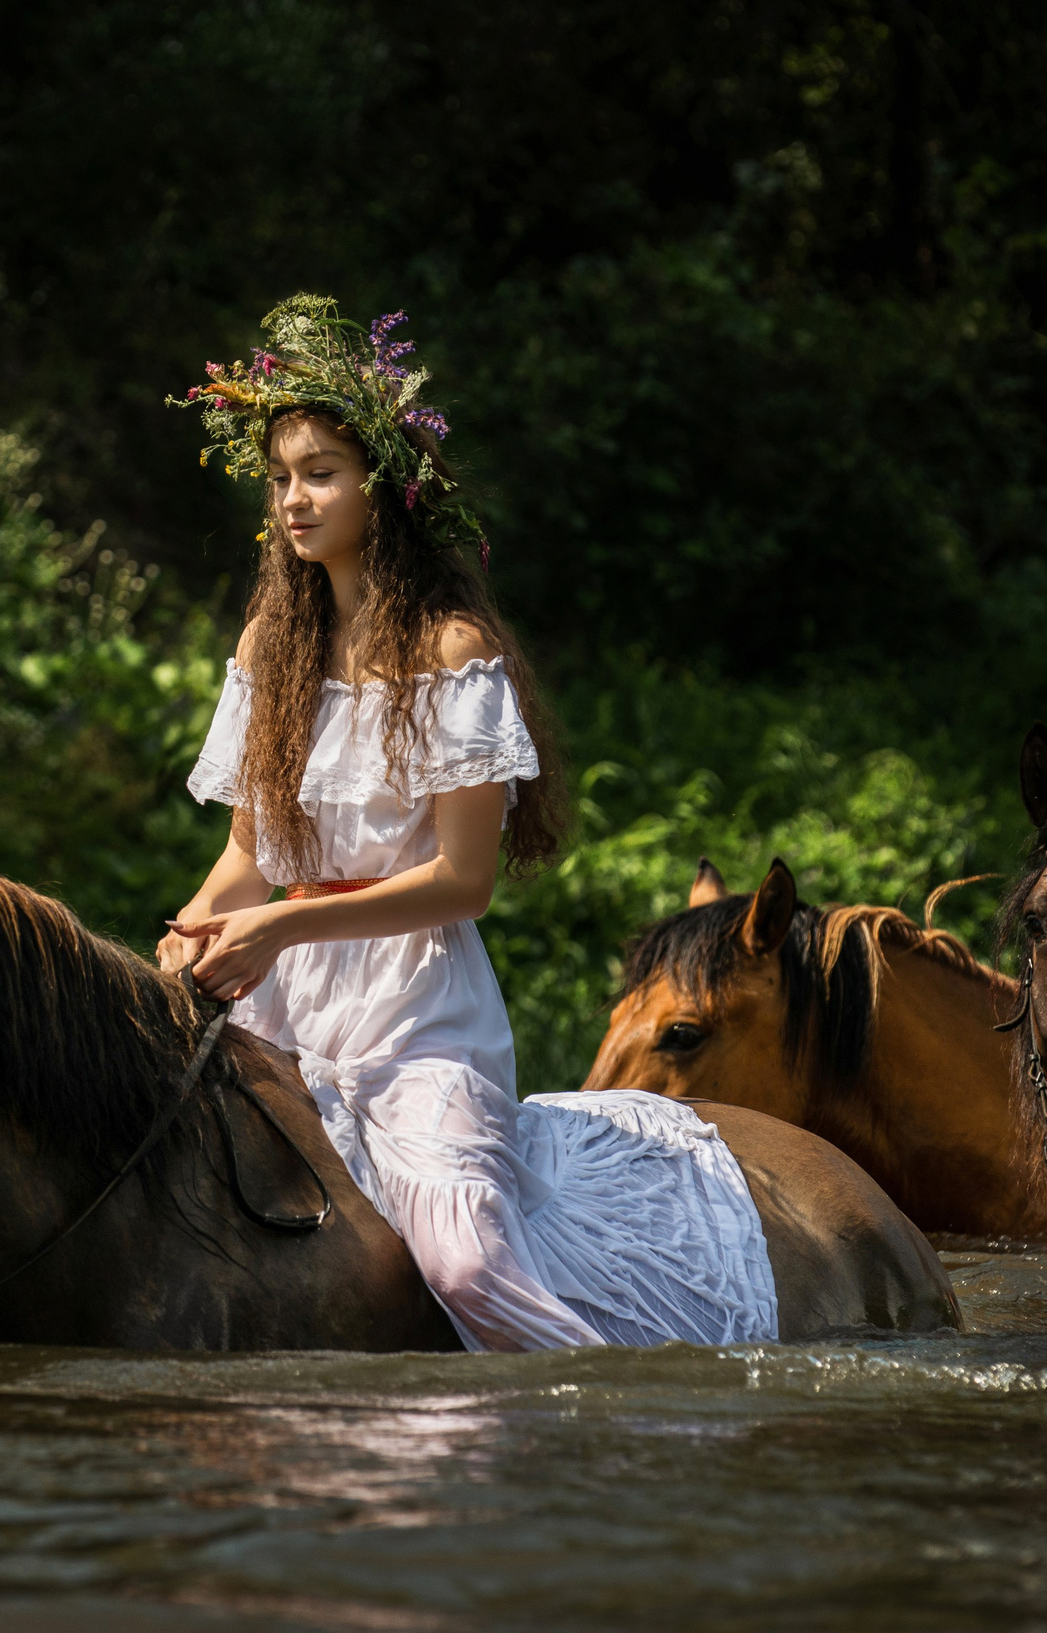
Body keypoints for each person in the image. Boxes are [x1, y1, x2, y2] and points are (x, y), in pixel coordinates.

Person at [159, 296, 776, 1351]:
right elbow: (246, 862)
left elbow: (461, 883)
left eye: (319, 472)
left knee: (464, 1259)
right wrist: (188, 932)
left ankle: (594, 1413)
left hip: (417, 1013)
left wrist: (275, 928)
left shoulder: (448, 652)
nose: (292, 499)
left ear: (383, 491)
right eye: (279, 478)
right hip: (278, 1009)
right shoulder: (271, 645)